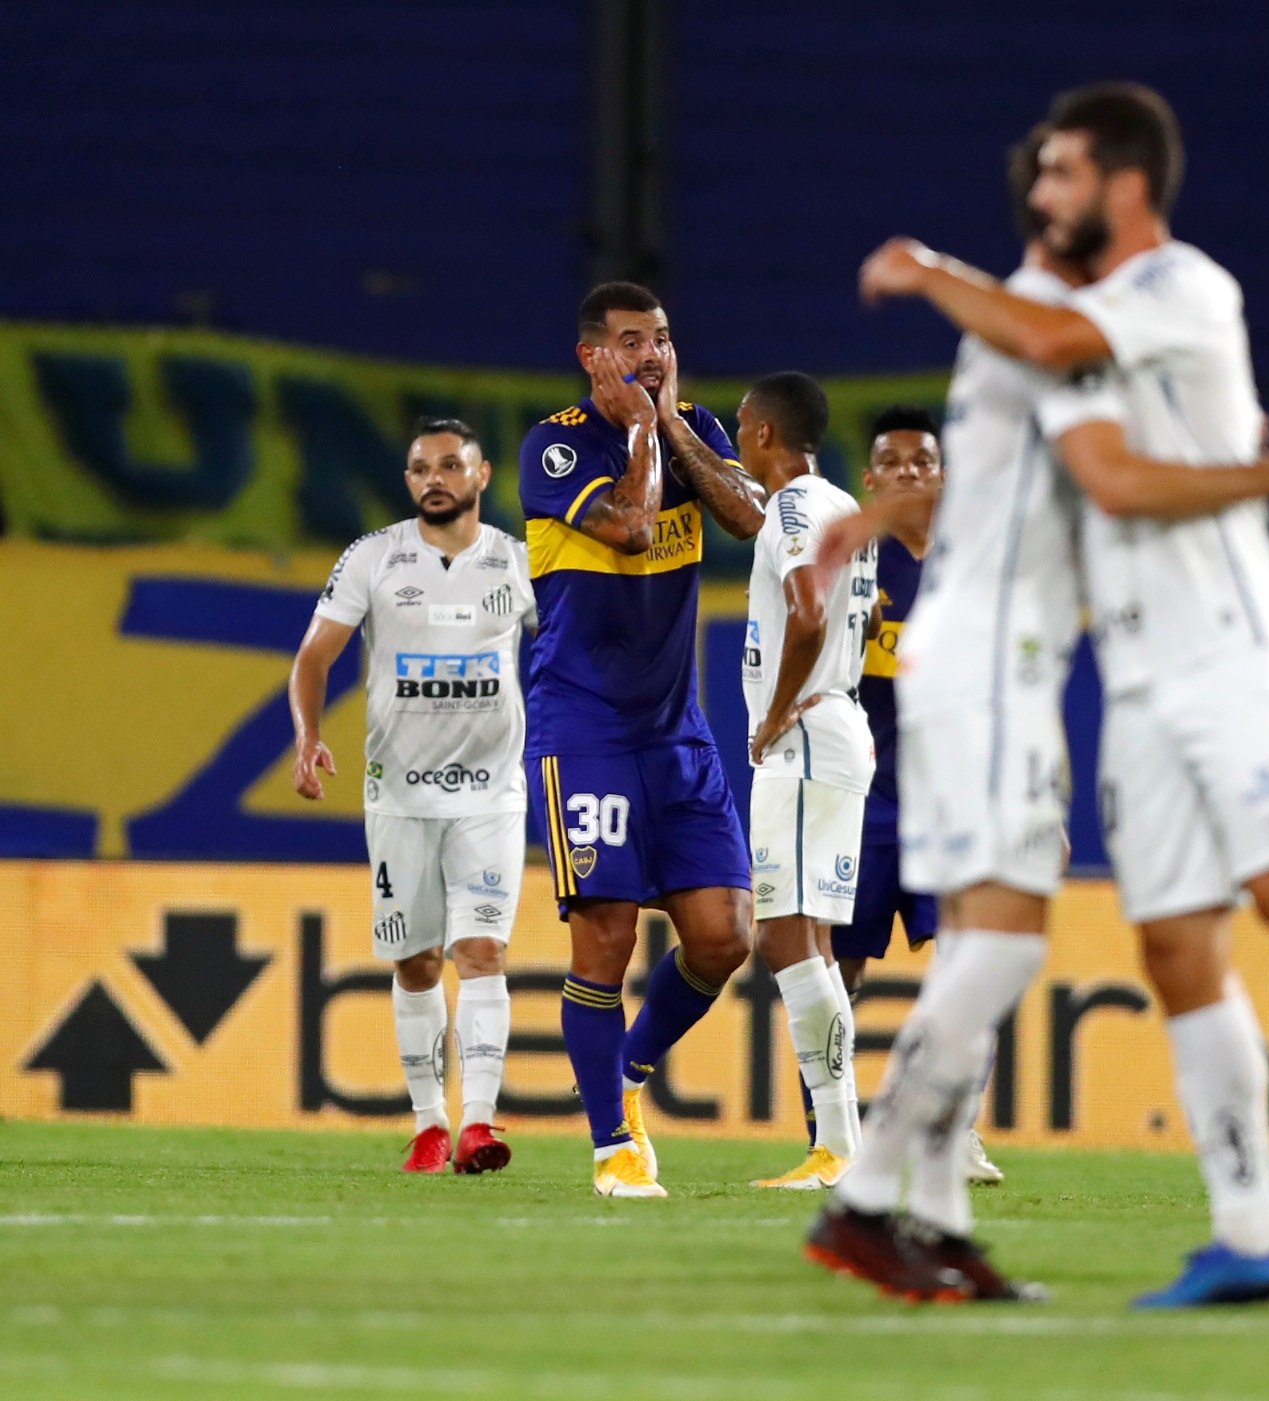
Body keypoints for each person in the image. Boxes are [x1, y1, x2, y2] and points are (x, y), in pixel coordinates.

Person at [849, 82, 1269, 1307]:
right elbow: (1094, 472)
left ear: (1121, 186)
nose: (1041, 194)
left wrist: (924, 269)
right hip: (1130, 674)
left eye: (1060, 175)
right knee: (1174, 946)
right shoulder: (1063, 325)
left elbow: (1088, 414)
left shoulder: (1178, 289)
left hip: (1231, 646)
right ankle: (1248, 1230)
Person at [518, 281, 766, 1198]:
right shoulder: (552, 445)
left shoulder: (692, 424)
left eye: (660, 338)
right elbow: (626, 530)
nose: (651, 355)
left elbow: (744, 514)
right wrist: (637, 435)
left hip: (677, 730)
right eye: (630, 342)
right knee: (607, 938)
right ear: (592, 357)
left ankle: (624, 1066)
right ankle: (612, 1143)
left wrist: (670, 426)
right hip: (584, 726)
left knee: (722, 937)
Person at [289, 418, 533, 1175]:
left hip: (492, 793)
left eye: (451, 464)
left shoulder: (521, 564)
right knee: (418, 962)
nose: (436, 477)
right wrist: (307, 735)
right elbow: (313, 656)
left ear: (482, 474)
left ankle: (480, 1125)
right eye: (421, 466)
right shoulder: (374, 557)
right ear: (408, 480)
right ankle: (430, 1123)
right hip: (397, 794)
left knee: (483, 950)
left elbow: (569, 656)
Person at [828, 404, 1005, 1189]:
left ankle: (957, 1130)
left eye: (921, 461)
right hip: (863, 801)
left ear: (942, 474)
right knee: (841, 970)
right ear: (868, 480)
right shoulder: (843, 560)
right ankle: (832, 1136)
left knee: (969, 966)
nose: (907, 472)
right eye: (891, 462)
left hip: (951, 802)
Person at [734, 371, 879, 1191]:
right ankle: (843, 1143)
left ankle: (836, 1140)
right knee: (813, 941)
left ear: (761, 434)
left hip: (808, 733)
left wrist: (774, 711)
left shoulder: (791, 509)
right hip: (840, 723)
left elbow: (808, 610)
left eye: (743, 427)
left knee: (784, 936)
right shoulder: (841, 511)